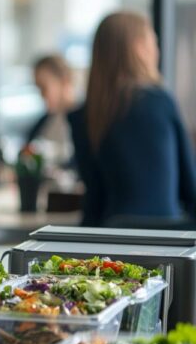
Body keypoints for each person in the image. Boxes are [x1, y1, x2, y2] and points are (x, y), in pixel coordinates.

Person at [68, 11, 196, 227]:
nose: (157, 50)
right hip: (167, 243)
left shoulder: (83, 115)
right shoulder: (160, 102)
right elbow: (190, 188)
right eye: (153, 42)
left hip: (111, 243)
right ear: (139, 47)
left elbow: (94, 200)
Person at [25, 54, 77, 168]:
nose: (41, 95)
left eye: (44, 87)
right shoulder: (44, 122)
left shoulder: (86, 123)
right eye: (38, 88)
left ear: (64, 81)